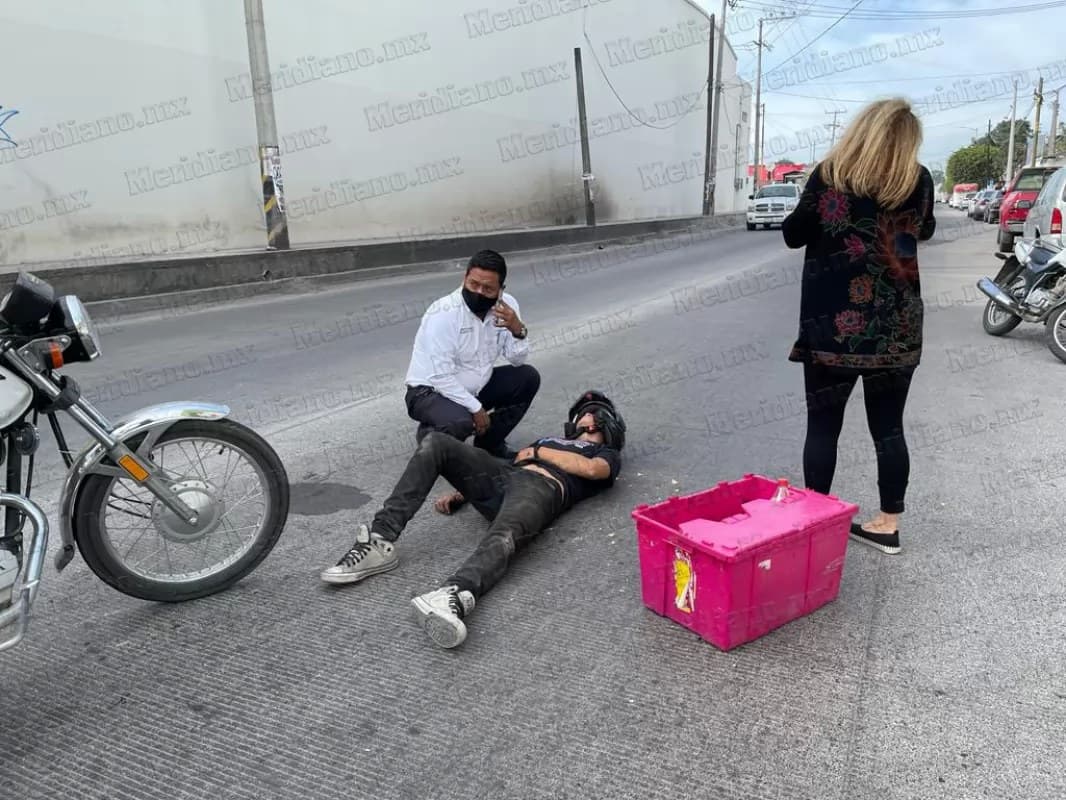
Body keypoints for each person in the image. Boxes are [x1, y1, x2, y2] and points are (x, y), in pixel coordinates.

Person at [320, 391, 626, 649]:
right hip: (506, 478)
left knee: (507, 534)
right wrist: (463, 493)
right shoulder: (548, 440)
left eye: (588, 417)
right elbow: (508, 462)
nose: (580, 422)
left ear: (604, 423)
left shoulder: (605, 452)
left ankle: (451, 595)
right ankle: (379, 540)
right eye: (580, 417)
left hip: (541, 490)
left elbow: (592, 470)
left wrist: (538, 451)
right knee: (436, 443)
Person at [781, 97, 936, 556]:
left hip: (833, 327)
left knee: (823, 426)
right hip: (897, 325)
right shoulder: (918, 179)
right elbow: (921, 232)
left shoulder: (829, 175)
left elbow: (793, 233)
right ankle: (888, 525)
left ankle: (816, 525)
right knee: (889, 428)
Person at [403, 248, 539, 461]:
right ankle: (431, 435)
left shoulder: (507, 307)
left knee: (527, 378)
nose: (478, 293)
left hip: (475, 387)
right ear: (464, 278)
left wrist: (517, 330)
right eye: (473, 284)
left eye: (488, 289)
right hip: (428, 391)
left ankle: (490, 444)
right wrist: (476, 408)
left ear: (501, 290)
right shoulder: (444, 313)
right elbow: (439, 376)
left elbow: (517, 359)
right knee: (460, 422)